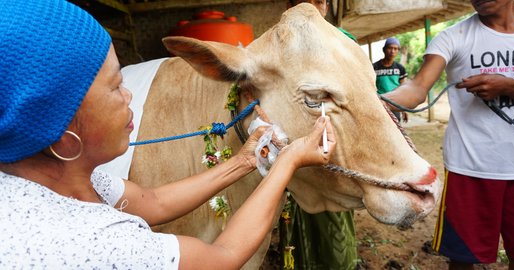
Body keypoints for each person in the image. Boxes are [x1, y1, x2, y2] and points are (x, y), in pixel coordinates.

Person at [0, 1, 336, 269]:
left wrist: (246, 160)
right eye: (116, 86)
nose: (129, 94)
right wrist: (286, 162)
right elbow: (222, 257)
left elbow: (153, 202)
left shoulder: (65, 182)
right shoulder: (101, 243)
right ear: (61, 135)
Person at [383, 0, 514, 269]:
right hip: (470, 170)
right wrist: (372, 102)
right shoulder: (453, 37)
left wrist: (509, 87)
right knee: (462, 261)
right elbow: (417, 88)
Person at [285, 1, 358, 269]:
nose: (313, 7)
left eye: (319, 1)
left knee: (332, 212)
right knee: (292, 213)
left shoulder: (344, 42)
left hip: (333, 144)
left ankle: (339, 262)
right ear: (290, 6)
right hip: (293, 144)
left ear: (326, 7)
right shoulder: (280, 43)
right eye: (305, 1)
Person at [373, 37, 408, 122]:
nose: (392, 51)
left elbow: (403, 89)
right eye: (390, 48)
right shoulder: (374, 67)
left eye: (395, 49)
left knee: (396, 128)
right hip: (379, 104)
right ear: (384, 49)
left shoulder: (400, 68)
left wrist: (404, 109)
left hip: (394, 104)